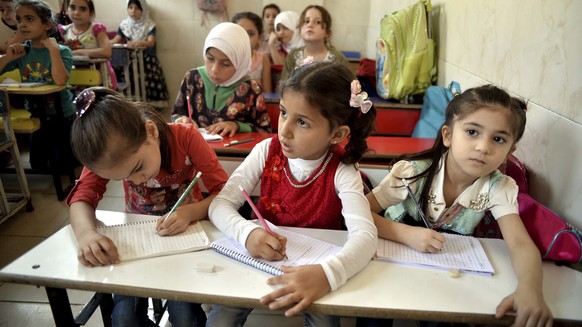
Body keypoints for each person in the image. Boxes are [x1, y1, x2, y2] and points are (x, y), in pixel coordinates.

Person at [362, 85, 553, 327]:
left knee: (447, 316)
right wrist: (405, 234)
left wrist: (530, 289)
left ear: (509, 151)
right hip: (390, 253)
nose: (483, 147)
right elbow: (358, 212)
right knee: (375, 309)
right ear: (448, 135)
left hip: (444, 266)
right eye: (472, 132)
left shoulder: (499, 187)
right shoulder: (412, 173)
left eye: (498, 139)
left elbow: (520, 243)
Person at [207, 61, 378, 327]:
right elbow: (220, 205)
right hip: (261, 259)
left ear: (337, 133)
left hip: (316, 269)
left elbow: (366, 237)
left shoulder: (343, 170)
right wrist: (248, 233)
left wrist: (327, 275)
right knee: (222, 319)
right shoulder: (267, 151)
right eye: (284, 112)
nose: (284, 130)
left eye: (302, 122)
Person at [67, 87, 228, 327]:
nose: (137, 181)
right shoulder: (107, 149)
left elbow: (225, 194)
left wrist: (190, 212)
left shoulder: (185, 137)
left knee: (184, 316)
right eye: (124, 178)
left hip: (185, 239)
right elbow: (82, 198)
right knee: (124, 318)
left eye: (137, 168)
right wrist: (86, 234)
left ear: (150, 131)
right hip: (138, 242)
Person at [0, 0, 77, 173]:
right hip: (36, 115)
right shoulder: (22, 51)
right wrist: (8, 57)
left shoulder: (62, 51)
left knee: (64, 165)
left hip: (61, 116)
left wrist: (53, 50)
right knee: (38, 165)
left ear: (46, 24)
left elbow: (59, 81)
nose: (22, 25)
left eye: (29, 19)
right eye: (19, 20)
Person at [171, 22, 271, 137]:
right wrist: (181, 120)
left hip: (233, 153)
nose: (214, 69)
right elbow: (175, 115)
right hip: (193, 151)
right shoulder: (192, 78)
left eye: (226, 64)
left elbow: (265, 131)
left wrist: (237, 126)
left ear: (240, 64)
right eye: (210, 58)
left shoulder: (251, 89)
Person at [110, 0, 168, 110]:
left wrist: (138, 43)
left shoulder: (149, 25)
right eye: (130, 7)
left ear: (143, 10)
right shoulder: (124, 25)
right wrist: (103, 44)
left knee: (147, 87)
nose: (133, 11)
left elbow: (151, 42)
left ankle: (150, 112)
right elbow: (115, 40)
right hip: (130, 62)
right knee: (131, 86)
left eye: (136, 8)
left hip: (147, 61)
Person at [58, 0, 117, 90]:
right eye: (72, 7)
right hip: (76, 78)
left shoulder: (96, 29)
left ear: (91, 13)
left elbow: (107, 51)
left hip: (101, 78)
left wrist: (78, 52)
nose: (77, 13)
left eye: (83, 9)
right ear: (66, 10)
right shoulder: (64, 31)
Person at [281, 5, 348, 81]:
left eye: (318, 22)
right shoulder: (293, 56)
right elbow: (284, 86)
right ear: (300, 29)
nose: (310, 25)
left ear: (327, 32)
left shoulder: (337, 59)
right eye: (306, 21)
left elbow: (349, 87)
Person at [232, 11, 272, 93]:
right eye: (239, 33)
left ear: (260, 38)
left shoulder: (263, 59)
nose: (244, 38)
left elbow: (267, 92)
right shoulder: (226, 58)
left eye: (250, 34)